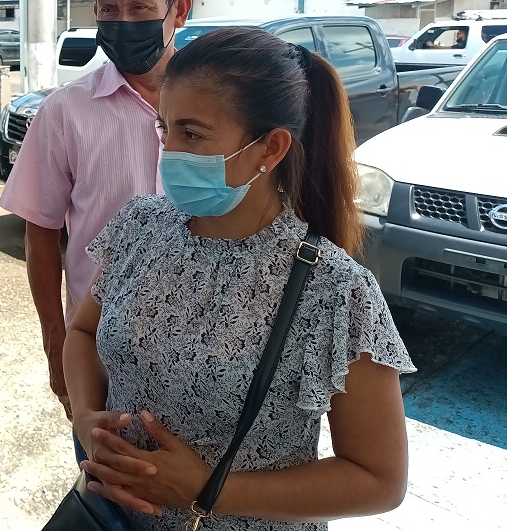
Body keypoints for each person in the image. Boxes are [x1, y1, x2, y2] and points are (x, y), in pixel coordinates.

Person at [63, 27, 414, 530]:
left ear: (270, 148)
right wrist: (85, 414)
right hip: (108, 518)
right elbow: (82, 331)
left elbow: (380, 480)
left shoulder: (334, 290)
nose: (170, 153)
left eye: (193, 134)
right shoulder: (139, 225)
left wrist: (209, 490)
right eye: (165, 130)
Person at [0, 0, 192, 430]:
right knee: (105, 491)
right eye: (108, 9)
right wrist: (56, 341)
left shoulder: (224, 106)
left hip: (206, 352)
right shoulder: (66, 112)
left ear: (179, 10)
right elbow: (41, 233)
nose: (122, 23)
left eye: (139, 7)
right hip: (99, 351)